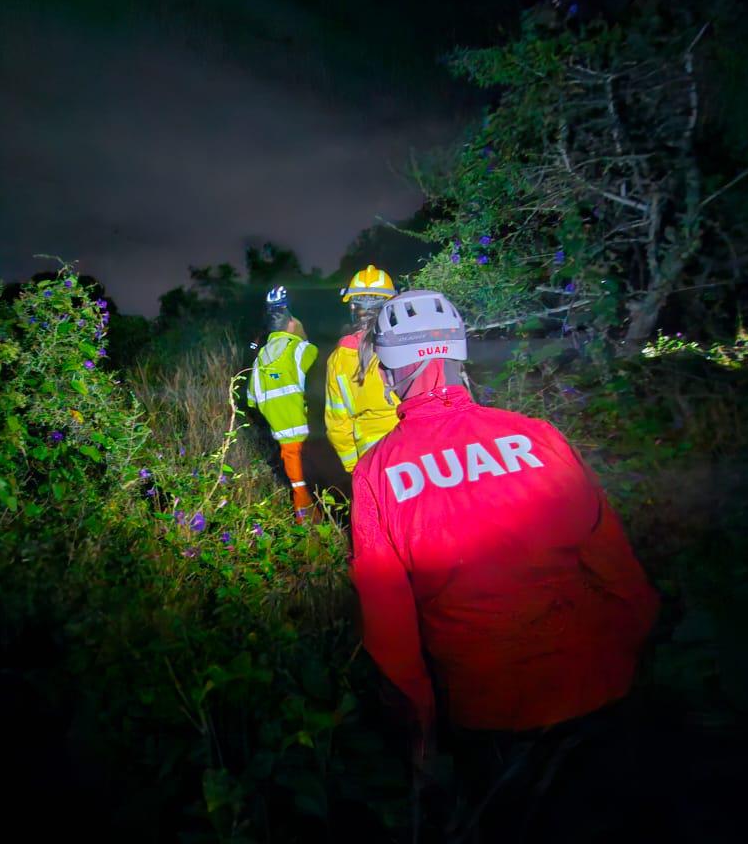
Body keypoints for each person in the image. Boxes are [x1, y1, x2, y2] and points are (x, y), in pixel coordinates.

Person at [349, 289, 660, 824]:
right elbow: (620, 574)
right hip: (603, 693)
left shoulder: (378, 474)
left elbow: (390, 636)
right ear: (459, 358)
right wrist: (636, 665)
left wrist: (422, 743)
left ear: (386, 374)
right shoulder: (538, 437)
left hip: (492, 717)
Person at [246, 286, 318, 519]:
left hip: (286, 443)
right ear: (291, 323)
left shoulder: (259, 362)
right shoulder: (302, 350)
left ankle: (308, 542)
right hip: (314, 439)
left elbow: (252, 400)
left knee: (300, 491)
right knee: (325, 491)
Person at [324, 264, 399, 473]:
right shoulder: (407, 345)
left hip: (370, 459)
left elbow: (337, 423)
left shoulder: (338, 359)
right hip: (414, 451)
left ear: (352, 308)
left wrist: (353, 467)